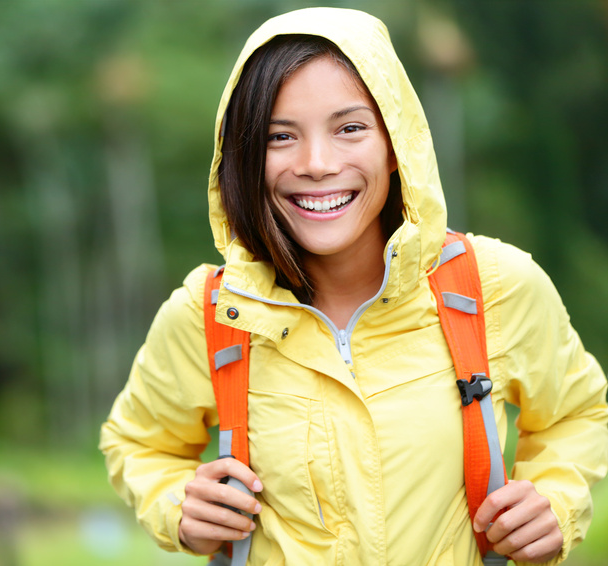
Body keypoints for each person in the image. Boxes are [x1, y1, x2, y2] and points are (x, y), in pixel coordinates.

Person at [99, 7, 608, 565]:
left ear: (396, 145)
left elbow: (579, 414)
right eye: (279, 136)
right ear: (244, 158)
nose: (317, 163)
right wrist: (178, 508)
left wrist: (554, 502)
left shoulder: (495, 286)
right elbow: (138, 443)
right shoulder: (212, 313)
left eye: (350, 128)